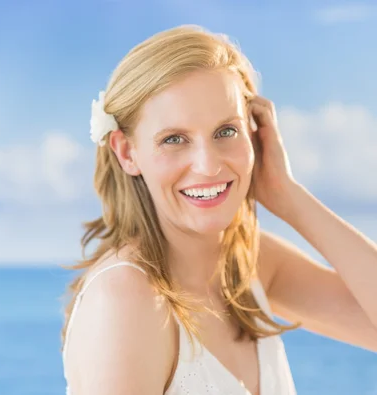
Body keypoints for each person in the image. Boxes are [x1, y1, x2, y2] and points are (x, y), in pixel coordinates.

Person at [60, 24, 377, 395]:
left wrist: (287, 195)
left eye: (226, 131)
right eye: (174, 139)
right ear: (127, 152)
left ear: (255, 135)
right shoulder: (127, 298)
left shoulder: (245, 262)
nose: (208, 165)